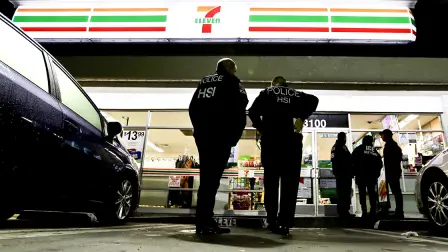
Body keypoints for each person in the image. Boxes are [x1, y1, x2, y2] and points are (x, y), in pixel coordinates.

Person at [248, 76, 319, 236]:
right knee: (290, 185)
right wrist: (302, 117)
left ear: (273, 85)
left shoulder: (266, 92)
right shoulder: (295, 94)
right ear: (286, 85)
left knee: (271, 184)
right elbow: (314, 100)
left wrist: (262, 127)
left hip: (271, 143)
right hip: (291, 143)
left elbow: (252, 112)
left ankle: (272, 221)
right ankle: (285, 223)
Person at [189, 58, 248, 234]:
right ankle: (204, 223)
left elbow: (192, 108)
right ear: (229, 68)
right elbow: (240, 109)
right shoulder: (232, 82)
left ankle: (204, 220)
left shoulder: (204, 82)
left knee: (207, 179)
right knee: (211, 181)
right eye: (234, 69)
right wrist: (233, 137)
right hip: (221, 136)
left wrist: (199, 129)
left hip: (204, 136)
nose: (235, 72)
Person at [352, 135, 383, 220]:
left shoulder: (358, 149)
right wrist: (377, 174)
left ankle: (364, 211)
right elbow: (380, 164)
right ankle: (373, 211)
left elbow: (352, 161)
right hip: (372, 177)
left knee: (362, 193)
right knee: (372, 193)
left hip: (361, 176)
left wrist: (354, 173)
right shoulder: (374, 151)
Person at [380, 129, 404, 219]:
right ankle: (398, 210)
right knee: (395, 191)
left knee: (396, 192)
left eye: (382, 135)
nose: (381, 137)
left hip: (392, 172)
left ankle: (399, 211)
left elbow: (394, 159)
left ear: (386, 135)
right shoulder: (391, 145)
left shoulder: (391, 145)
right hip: (392, 172)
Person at [330, 132, 353, 218]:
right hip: (343, 174)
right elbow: (345, 160)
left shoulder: (336, 146)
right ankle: (344, 212)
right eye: (345, 138)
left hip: (341, 174)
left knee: (342, 193)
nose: (346, 139)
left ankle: (343, 211)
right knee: (344, 193)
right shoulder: (340, 147)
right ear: (343, 138)